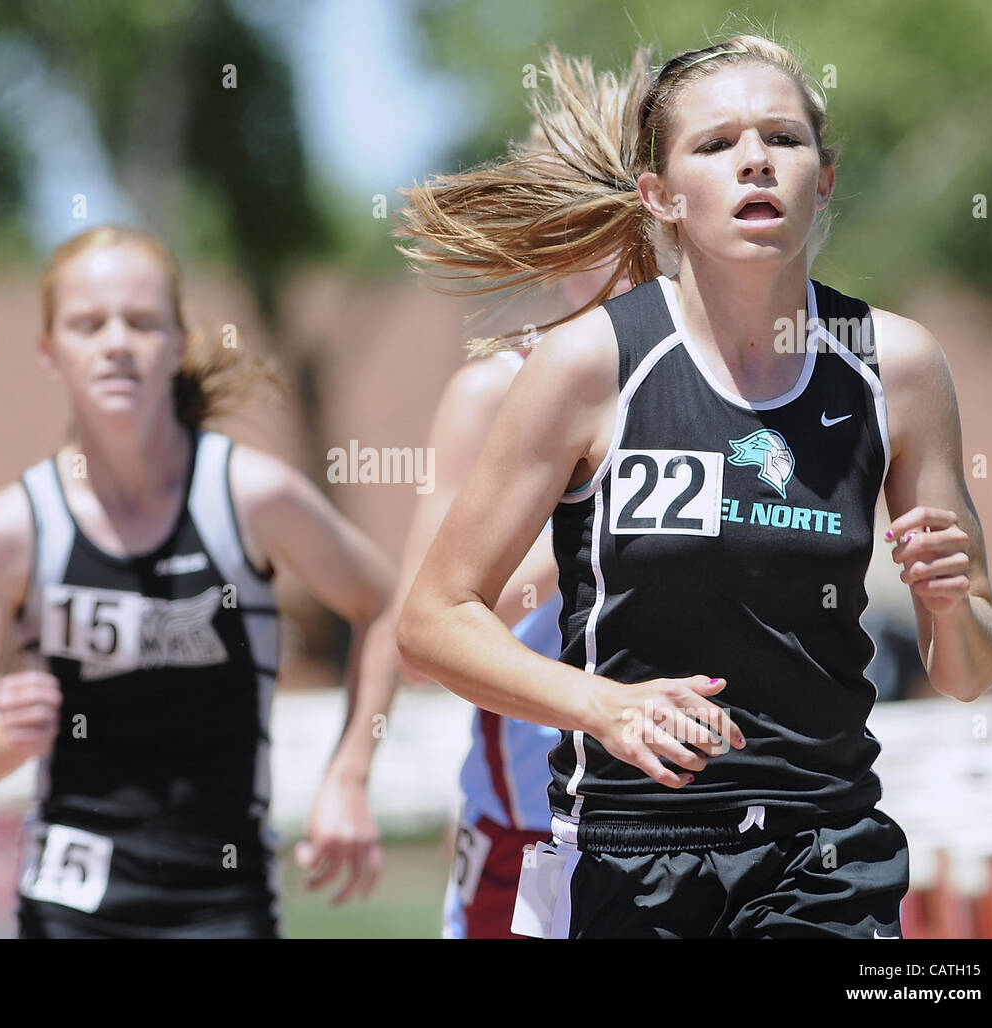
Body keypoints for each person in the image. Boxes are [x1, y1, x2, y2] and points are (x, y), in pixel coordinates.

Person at [396, 35, 992, 939]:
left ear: (824, 181)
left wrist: (953, 604)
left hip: (824, 856)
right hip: (627, 854)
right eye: (717, 144)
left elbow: (970, 671)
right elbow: (432, 621)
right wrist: (600, 706)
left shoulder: (897, 366)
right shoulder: (589, 364)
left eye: (783, 138)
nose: (755, 158)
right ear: (660, 196)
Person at [0, 225, 394, 938]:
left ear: (176, 343)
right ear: (49, 352)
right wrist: (2, 738)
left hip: (224, 900)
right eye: (87, 324)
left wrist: (349, 778)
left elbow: (387, 606)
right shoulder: (14, 530)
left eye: (140, 321)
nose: (115, 342)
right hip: (71, 897)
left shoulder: (250, 498)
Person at [377, 49, 642, 939]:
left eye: (638, 228)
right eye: (583, 231)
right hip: (533, 837)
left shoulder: (732, 394)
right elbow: (421, 634)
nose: (616, 261)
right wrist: (575, 526)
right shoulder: (497, 394)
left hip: (709, 831)